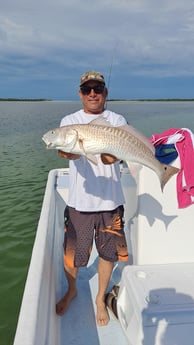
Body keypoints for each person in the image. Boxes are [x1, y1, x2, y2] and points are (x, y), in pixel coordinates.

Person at [56, 70, 128, 326]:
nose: (93, 93)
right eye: (87, 89)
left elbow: (119, 153)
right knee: (72, 255)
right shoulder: (70, 120)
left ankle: (100, 298)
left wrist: (115, 157)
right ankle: (72, 290)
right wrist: (68, 153)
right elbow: (66, 149)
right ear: (80, 94)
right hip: (80, 203)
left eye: (98, 88)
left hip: (111, 203)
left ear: (105, 92)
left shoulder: (117, 119)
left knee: (108, 254)